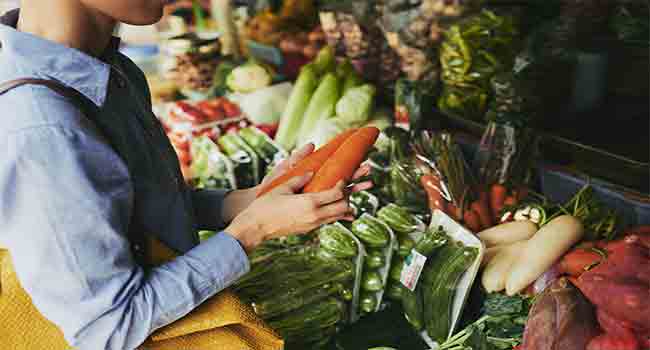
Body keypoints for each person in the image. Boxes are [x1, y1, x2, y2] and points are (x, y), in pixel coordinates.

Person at [0, 1, 371, 349]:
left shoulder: (110, 69)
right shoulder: (42, 129)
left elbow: (133, 205)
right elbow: (110, 327)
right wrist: (251, 231)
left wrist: (243, 203)